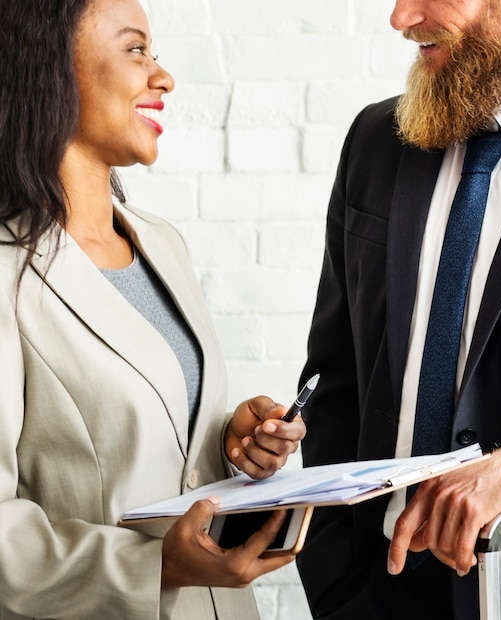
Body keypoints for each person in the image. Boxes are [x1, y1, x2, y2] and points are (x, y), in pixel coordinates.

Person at [296, 0, 501, 618]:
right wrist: (336, 576)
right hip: (375, 593)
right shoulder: (375, 142)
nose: (400, 17)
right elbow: (334, 378)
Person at [0, 0, 306, 618]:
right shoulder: (7, 274)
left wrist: (228, 441)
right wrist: (153, 564)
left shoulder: (160, 243)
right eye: (135, 49)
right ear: (50, 69)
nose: (162, 75)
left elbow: (147, 440)